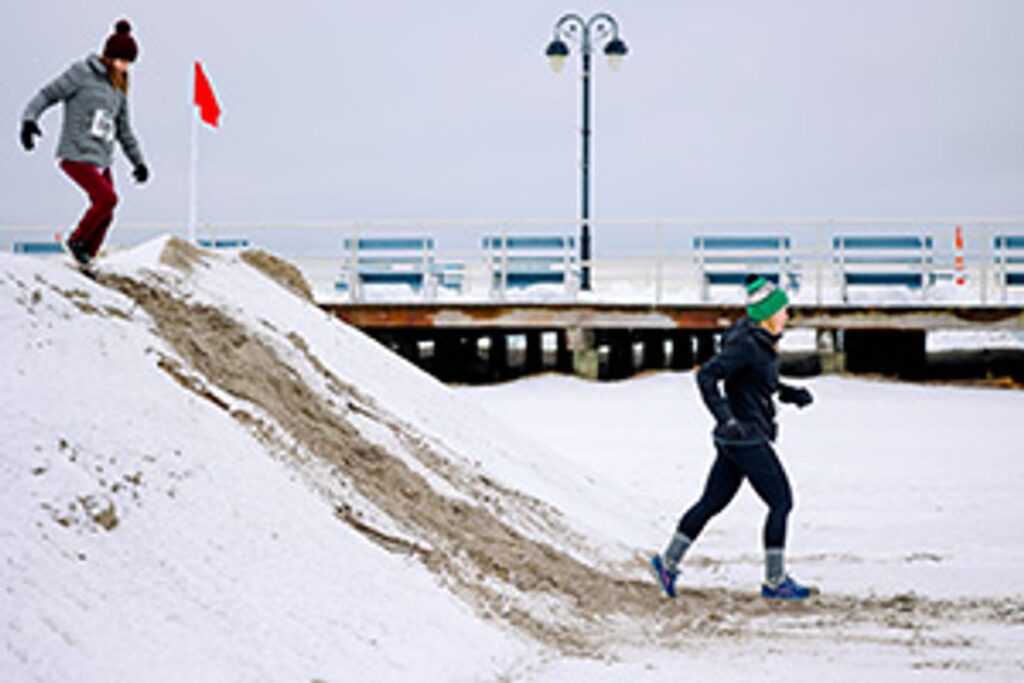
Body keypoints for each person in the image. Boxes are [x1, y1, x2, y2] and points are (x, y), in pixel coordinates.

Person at [651, 275, 817, 600]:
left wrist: (788, 393)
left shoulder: (758, 341)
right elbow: (708, 376)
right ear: (768, 313)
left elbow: (754, 382)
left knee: (712, 502)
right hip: (745, 437)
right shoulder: (747, 344)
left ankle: (667, 563)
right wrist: (725, 418)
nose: (788, 316)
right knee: (781, 501)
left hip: (738, 438)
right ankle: (775, 581)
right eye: (784, 310)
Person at [20, 19, 149, 267]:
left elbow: (124, 130)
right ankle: (76, 241)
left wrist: (139, 163)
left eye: (129, 63)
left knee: (108, 212)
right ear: (109, 56)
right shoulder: (81, 73)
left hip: (101, 158)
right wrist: (29, 119)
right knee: (107, 199)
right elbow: (48, 94)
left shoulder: (119, 90)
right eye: (121, 61)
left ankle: (86, 258)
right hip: (75, 153)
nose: (125, 67)